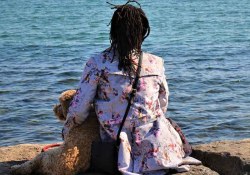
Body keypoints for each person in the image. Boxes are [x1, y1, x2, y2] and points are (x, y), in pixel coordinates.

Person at [62, 1, 201, 174]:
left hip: (118, 146)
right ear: (142, 32)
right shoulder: (155, 63)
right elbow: (162, 104)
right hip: (157, 145)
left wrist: (67, 131)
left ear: (113, 31)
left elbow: (79, 109)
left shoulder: (98, 63)